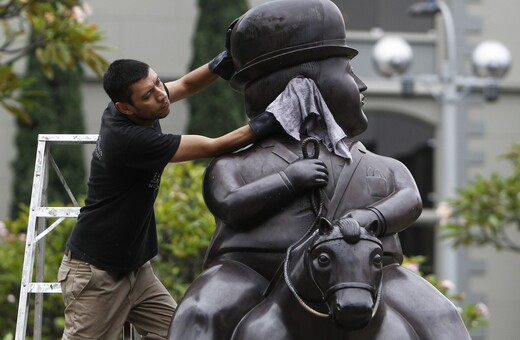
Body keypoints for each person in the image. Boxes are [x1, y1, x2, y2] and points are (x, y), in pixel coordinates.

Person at [168, 1, 471, 339]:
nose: (361, 86)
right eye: (347, 72)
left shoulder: (380, 166)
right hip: (254, 269)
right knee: (199, 313)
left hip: (370, 274)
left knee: (442, 316)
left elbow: (410, 199)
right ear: (303, 88)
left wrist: (372, 218)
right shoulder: (234, 165)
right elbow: (228, 202)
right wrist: (288, 180)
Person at [57, 56, 280, 339]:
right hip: (96, 274)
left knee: (181, 334)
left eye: (158, 82)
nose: (162, 95)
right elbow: (214, 146)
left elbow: (185, 84)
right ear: (125, 107)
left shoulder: (142, 104)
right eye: (149, 95)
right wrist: (270, 120)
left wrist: (221, 62)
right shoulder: (128, 141)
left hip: (136, 271)